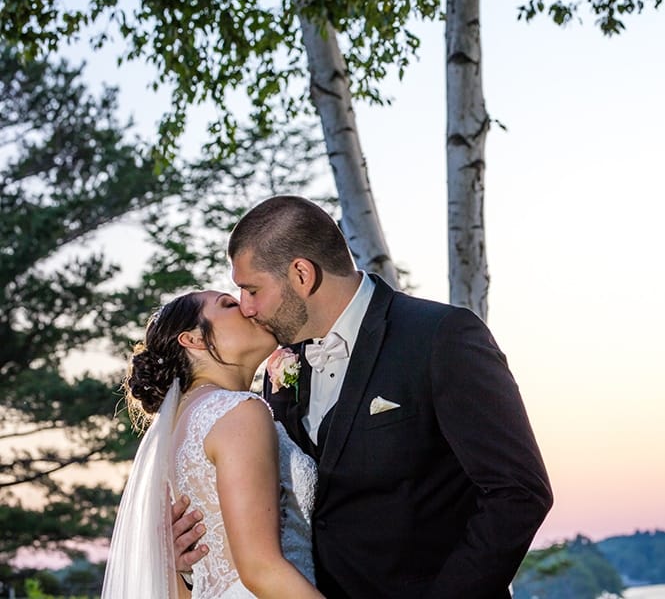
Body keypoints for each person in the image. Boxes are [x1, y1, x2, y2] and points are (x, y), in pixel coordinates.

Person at [173, 194, 553, 598]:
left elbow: (518, 492)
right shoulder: (280, 368)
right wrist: (199, 561)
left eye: (251, 289)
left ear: (302, 274)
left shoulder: (440, 336)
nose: (247, 308)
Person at [102, 290, 323, 599]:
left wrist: (186, 573)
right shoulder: (238, 411)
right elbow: (262, 570)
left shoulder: (178, 431)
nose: (247, 307)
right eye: (229, 304)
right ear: (193, 340)